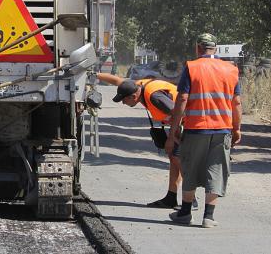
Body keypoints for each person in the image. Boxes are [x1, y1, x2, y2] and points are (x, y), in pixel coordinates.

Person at [166, 33, 242, 228]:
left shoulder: (192, 67)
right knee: (216, 170)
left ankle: (185, 213)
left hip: (196, 129)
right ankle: (209, 217)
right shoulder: (231, 69)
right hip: (222, 129)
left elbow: (182, 99)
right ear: (215, 49)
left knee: (190, 167)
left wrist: (173, 130)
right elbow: (237, 102)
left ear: (198, 48)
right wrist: (237, 129)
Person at [100, 72, 197, 210]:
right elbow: (117, 80)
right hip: (181, 123)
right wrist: (93, 74)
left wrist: (172, 136)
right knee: (174, 158)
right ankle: (171, 197)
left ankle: (191, 199)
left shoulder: (154, 96)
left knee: (177, 158)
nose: (123, 103)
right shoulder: (136, 85)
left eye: (124, 100)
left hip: (189, 123)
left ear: (134, 96)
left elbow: (178, 112)